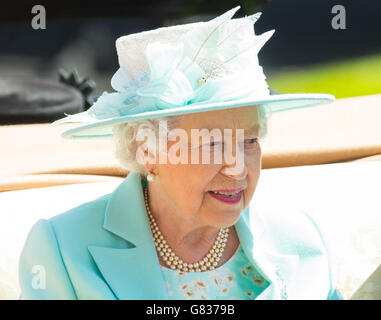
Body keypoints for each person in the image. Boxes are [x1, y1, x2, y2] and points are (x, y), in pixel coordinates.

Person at [18, 6, 342, 300]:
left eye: (250, 141)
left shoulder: (300, 238)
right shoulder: (62, 250)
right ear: (149, 152)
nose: (238, 169)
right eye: (212, 144)